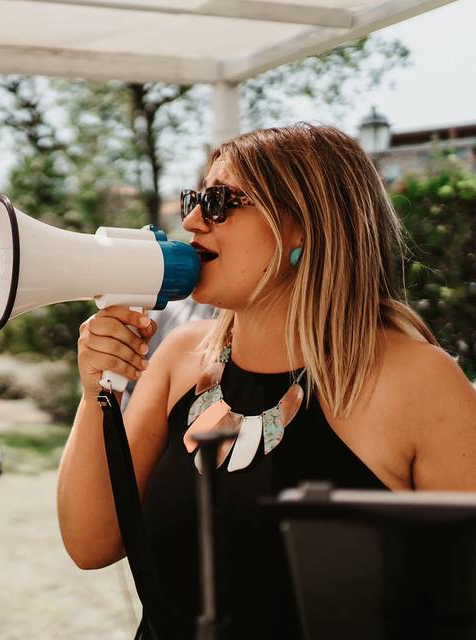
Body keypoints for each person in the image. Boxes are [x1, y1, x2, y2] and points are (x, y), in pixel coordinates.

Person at [57, 124, 476, 639]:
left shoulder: (419, 380)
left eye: (218, 202)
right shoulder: (179, 357)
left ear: (302, 223)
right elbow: (90, 542)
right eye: (195, 198)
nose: (191, 220)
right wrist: (97, 388)